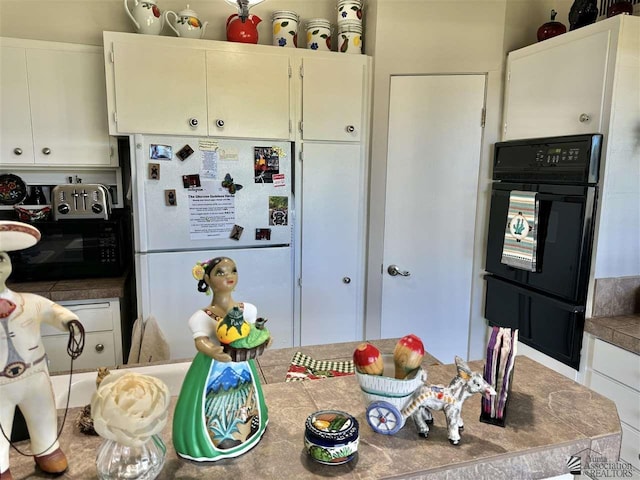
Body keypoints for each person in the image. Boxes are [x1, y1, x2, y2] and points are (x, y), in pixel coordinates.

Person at [172, 257, 269, 462]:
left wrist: (264, 338)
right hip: (213, 369)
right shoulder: (202, 316)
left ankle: (247, 431)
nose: (229, 276)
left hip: (241, 364)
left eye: (233, 270)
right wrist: (213, 350)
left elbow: (252, 333)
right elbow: (200, 341)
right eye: (220, 272)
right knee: (210, 403)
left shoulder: (247, 310)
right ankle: (211, 442)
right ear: (206, 278)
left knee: (246, 398)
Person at [0, 251, 83, 480]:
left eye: (0, 258)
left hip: (34, 375)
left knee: (43, 414)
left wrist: (69, 320)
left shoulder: (29, 302)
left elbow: (53, 311)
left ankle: (47, 450)